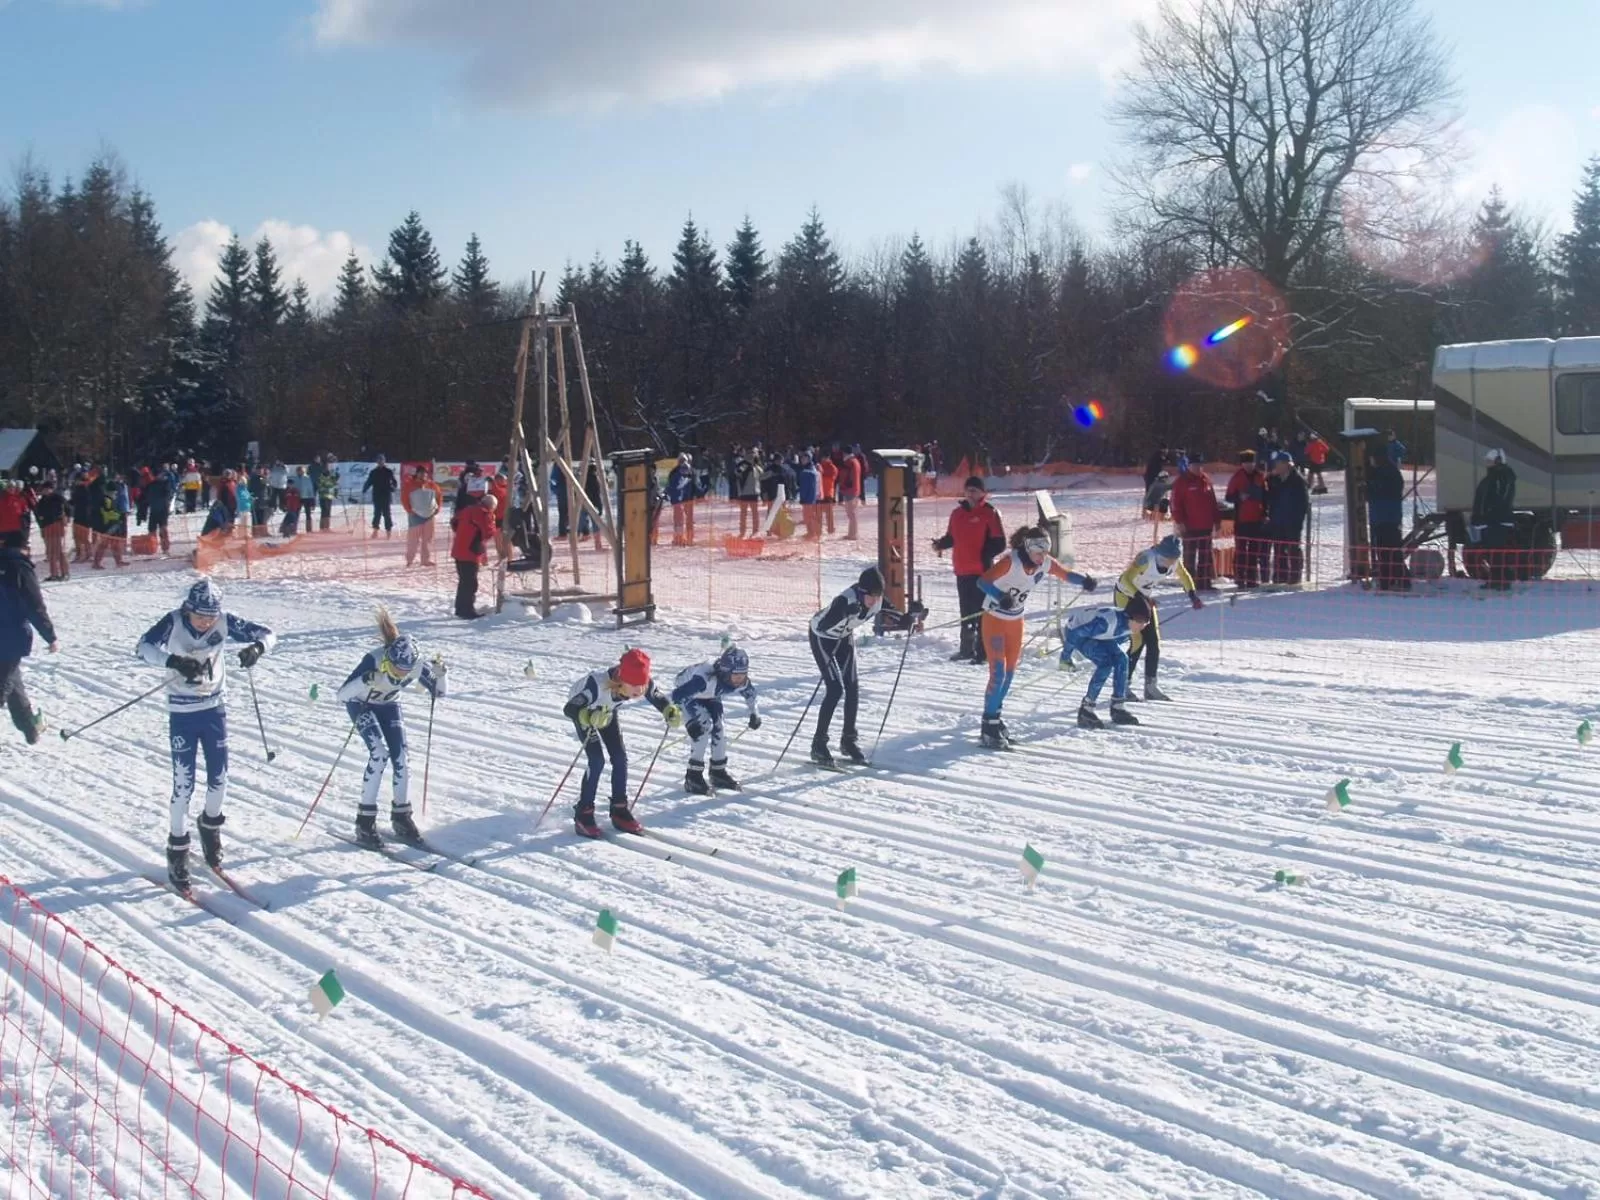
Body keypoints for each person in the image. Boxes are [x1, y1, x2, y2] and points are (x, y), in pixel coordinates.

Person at [136, 579, 275, 892]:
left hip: (214, 709)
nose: (205, 623)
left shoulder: (223, 622)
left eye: (210, 617)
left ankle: (210, 828)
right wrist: (172, 660)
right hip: (182, 712)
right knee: (183, 784)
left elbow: (267, 634)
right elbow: (142, 647)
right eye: (200, 617)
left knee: (219, 778)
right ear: (188, 609)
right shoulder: (173, 622)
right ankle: (178, 848)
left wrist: (257, 648)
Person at [976, 525, 1095, 749]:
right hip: (994, 620)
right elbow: (982, 582)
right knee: (998, 672)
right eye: (1039, 552)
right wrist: (999, 596)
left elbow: (1065, 574)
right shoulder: (1011, 562)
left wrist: (1085, 581)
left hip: (1015, 621)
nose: (1042, 558)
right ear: (1028, 548)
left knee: (1010, 673)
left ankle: (995, 719)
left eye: (1045, 552)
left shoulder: (1046, 562)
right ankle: (988, 725)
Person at [337, 608, 445, 848]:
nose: (399, 676)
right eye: (396, 669)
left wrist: (440, 675)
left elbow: (439, 692)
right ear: (388, 660)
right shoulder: (374, 659)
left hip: (388, 705)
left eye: (404, 672)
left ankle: (401, 816)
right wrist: (365, 681)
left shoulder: (416, 665)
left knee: (402, 759)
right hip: (361, 703)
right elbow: (342, 695)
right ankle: (364, 821)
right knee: (379, 754)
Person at [807, 566, 924, 766]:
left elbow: (901, 621)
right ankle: (819, 745)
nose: (874, 601)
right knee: (835, 690)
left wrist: (913, 614)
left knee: (852, 687)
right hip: (822, 637)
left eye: (878, 595)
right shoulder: (845, 600)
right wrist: (844, 613)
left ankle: (848, 741)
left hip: (844, 637)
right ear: (861, 592)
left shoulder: (878, 600)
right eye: (870, 596)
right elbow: (825, 624)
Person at [563, 648, 682, 837]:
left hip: (606, 712)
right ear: (620, 678)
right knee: (597, 760)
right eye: (634, 684)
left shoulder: (641, 682)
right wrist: (588, 716)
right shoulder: (597, 685)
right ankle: (583, 814)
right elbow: (570, 708)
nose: (639, 690)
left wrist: (669, 710)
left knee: (620, 758)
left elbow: (657, 696)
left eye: (641, 684)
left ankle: (619, 809)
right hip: (586, 711)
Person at [1115, 533, 1203, 701]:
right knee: (1137, 641)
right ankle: (1123, 684)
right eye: (1165, 557)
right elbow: (1126, 578)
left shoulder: (1175, 561)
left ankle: (1150, 687)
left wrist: (1192, 595)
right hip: (1126, 595)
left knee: (1154, 642)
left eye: (1172, 558)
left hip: (1144, 598)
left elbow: (1184, 576)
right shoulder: (1146, 558)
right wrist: (1140, 598)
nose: (1168, 561)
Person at [931, 475, 1006, 664]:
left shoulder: (990, 513)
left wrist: (983, 555)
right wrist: (940, 544)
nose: (970, 494)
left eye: (974, 490)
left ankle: (982, 652)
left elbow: (1000, 543)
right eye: (968, 490)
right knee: (966, 612)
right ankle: (966, 649)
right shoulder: (957, 514)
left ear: (982, 493)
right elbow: (952, 538)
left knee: (982, 613)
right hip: (962, 570)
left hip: (982, 572)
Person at [671, 645, 760, 795]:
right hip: (692, 694)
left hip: (711, 695)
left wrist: (754, 714)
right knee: (702, 728)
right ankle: (693, 776)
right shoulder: (704, 679)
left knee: (720, 727)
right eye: (736, 675)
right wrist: (689, 722)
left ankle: (718, 771)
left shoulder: (740, 681)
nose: (740, 680)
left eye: (743, 674)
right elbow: (678, 697)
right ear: (726, 672)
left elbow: (751, 695)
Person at [0, 531, 57, 744]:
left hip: (6, 637)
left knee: (13, 682)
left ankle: (29, 727)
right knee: (4, 684)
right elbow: (34, 604)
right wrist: (50, 635)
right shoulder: (20, 567)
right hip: (10, 636)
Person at [1061, 593, 1150, 730]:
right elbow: (1075, 634)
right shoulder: (1106, 623)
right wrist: (1065, 657)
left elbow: (1116, 638)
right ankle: (1086, 710)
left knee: (1122, 659)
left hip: (1097, 635)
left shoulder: (1131, 625)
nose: (1142, 625)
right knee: (1105, 664)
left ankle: (1117, 707)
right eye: (1139, 620)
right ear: (1129, 616)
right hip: (1077, 632)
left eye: (1145, 622)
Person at [1169, 455, 1219, 591]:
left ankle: (1205, 583)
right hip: (1189, 526)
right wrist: (1179, 522)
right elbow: (1175, 504)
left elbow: (1213, 502)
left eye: (1199, 465)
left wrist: (1216, 520)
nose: (1198, 468)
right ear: (1189, 466)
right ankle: (1189, 585)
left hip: (1206, 525)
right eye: (1194, 465)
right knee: (1189, 557)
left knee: (1205, 556)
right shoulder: (1181, 482)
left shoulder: (1206, 480)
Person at [450, 481, 499, 618]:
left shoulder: (467, 509)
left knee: (463, 581)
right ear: (491, 507)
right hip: (470, 552)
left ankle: (460, 608)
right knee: (470, 583)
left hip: (458, 549)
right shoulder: (485, 514)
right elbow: (488, 533)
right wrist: (493, 521)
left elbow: (454, 522)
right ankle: (467, 610)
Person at [1472, 448, 1518, 591]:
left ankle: (1499, 580)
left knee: (1495, 552)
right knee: (1493, 551)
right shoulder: (1497, 477)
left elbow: (1495, 499)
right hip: (1492, 519)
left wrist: (1488, 514)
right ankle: (1498, 579)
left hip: (1495, 520)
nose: (1488, 464)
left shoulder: (1500, 477)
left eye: (1490, 461)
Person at [1264, 450, 1310, 585]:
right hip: (1278, 520)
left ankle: (1295, 576)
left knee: (1293, 549)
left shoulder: (1298, 481)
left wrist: (1296, 520)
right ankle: (1280, 575)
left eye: (1278, 463)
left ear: (1286, 465)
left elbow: (1303, 504)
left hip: (1292, 522)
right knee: (1279, 549)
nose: (1276, 466)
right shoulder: (1275, 481)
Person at [1368, 441, 1408, 591]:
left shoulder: (1384, 472)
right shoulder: (1389, 471)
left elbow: (1380, 492)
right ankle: (1393, 580)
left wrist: (1371, 489)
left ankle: (1392, 580)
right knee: (1390, 551)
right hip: (1387, 516)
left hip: (1386, 516)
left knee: (1388, 551)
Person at [1225, 450, 1268, 589]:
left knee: (1254, 552)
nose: (1249, 465)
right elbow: (1228, 497)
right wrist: (1239, 498)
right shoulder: (1237, 477)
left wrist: (1265, 513)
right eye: (1246, 463)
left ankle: (1251, 578)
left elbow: (1266, 496)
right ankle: (1239, 578)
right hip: (1242, 520)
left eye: (1251, 462)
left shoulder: (1260, 476)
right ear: (1242, 464)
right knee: (1241, 551)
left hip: (1257, 519)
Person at [404, 465, 443, 567]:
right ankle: (410, 560)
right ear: (416, 474)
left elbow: (439, 497)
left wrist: (438, 508)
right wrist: (409, 510)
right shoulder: (409, 485)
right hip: (415, 515)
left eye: (425, 473)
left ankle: (425, 560)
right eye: (421, 473)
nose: (423, 475)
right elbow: (404, 499)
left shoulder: (432, 485)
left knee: (428, 539)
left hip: (429, 515)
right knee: (413, 540)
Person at [91, 471, 129, 569]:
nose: (115, 494)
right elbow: (107, 513)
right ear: (110, 491)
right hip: (108, 526)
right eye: (114, 492)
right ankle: (96, 563)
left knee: (115, 544)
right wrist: (119, 515)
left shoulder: (109, 499)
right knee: (104, 544)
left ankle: (118, 561)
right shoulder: (107, 500)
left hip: (112, 525)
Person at [32, 480, 68, 582]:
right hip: (47, 526)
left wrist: (65, 517)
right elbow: (38, 513)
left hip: (56, 525)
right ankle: (54, 574)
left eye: (48, 489)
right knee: (50, 552)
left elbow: (68, 509)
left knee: (59, 550)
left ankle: (64, 572)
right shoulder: (42, 501)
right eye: (44, 489)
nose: (46, 491)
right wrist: (41, 524)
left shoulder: (58, 498)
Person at [666, 453, 698, 546]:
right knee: (678, 520)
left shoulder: (691, 471)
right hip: (678, 500)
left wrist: (696, 494)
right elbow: (672, 485)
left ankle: (689, 537)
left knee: (689, 519)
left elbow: (694, 484)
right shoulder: (674, 472)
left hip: (688, 498)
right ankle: (678, 537)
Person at [364, 455, 398, 538]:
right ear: (377, 462)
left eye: (381, 460)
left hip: (386, 495)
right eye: (378, 461)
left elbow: (394, 482)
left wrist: (393, 488)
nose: (380, 462)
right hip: (377, 495)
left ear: (384, 461)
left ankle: (388, 531)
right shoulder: (373, 472)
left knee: (387, 514)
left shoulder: (388, 471)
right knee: (377, 513)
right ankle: (375, 531)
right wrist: (364, 489)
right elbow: (369, 481)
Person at [837, 447, 863, 540]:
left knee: (851, 513)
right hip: (854, 489)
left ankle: (853, 534)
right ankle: (852, 533)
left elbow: (848, 476)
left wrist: (845, 486)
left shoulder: (850, 462)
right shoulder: (855, 461)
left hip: (850, 490)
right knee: (852, 513)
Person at [818, 452, 838, 534]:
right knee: (818, 513)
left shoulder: (832, 467)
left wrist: (821, 473)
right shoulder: (819, 466)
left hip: (828, 492)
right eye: (823, 458)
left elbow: (831, 478)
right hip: (820, 492)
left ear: (828, 458)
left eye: (825, 458)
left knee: (829, 513)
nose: (824, 459)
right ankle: (818, 529)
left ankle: (830, 528)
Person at [316, 457, 338, 531]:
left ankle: (327, 526)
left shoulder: (331, 476)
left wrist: (335, 492)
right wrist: (329, 486)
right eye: (326, 468)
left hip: (329, 496)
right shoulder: (321, 477)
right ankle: (322, 526)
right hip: (323, 496)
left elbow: (334, 484)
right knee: (324, 511)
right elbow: (321, 486)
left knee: (328, 511)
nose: (327, 469)